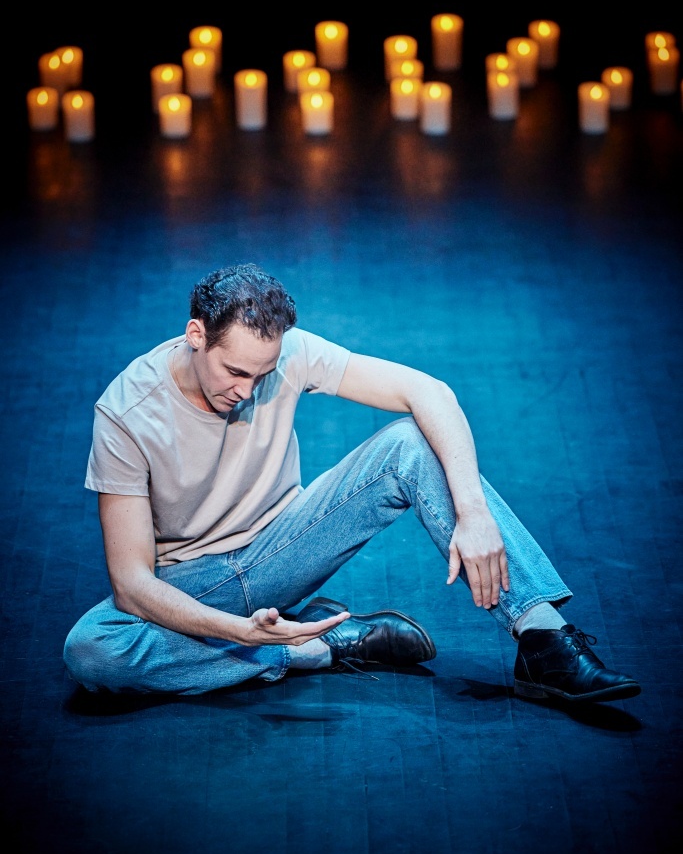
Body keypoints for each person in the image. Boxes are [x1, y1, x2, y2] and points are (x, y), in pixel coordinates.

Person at [64, 263, 640, 704]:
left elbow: (430, 393)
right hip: (197, 585)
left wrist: (473, 512)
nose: (247, 388)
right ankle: (316, 646)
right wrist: (241, 633)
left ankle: (543, 640)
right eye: (234, 371)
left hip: (284, 549)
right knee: (91, 653)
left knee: (411, 445)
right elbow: (133, 585)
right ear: (196, 335)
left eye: (261, 374)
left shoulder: (285, 355)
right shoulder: (126, 412)